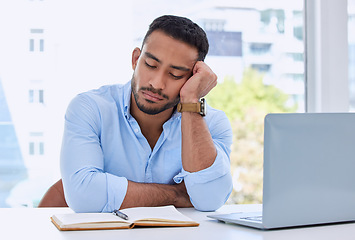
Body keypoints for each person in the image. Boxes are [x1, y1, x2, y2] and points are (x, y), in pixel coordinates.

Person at [60, 15, 233, 213]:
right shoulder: (90, 108)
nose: (156, 84)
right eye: (150, 65)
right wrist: (178, 194)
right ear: (136, 59)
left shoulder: (212, 123)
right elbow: (83, 196)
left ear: (193, 78)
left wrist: (192, 102)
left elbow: (209, 199)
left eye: (175, 75)